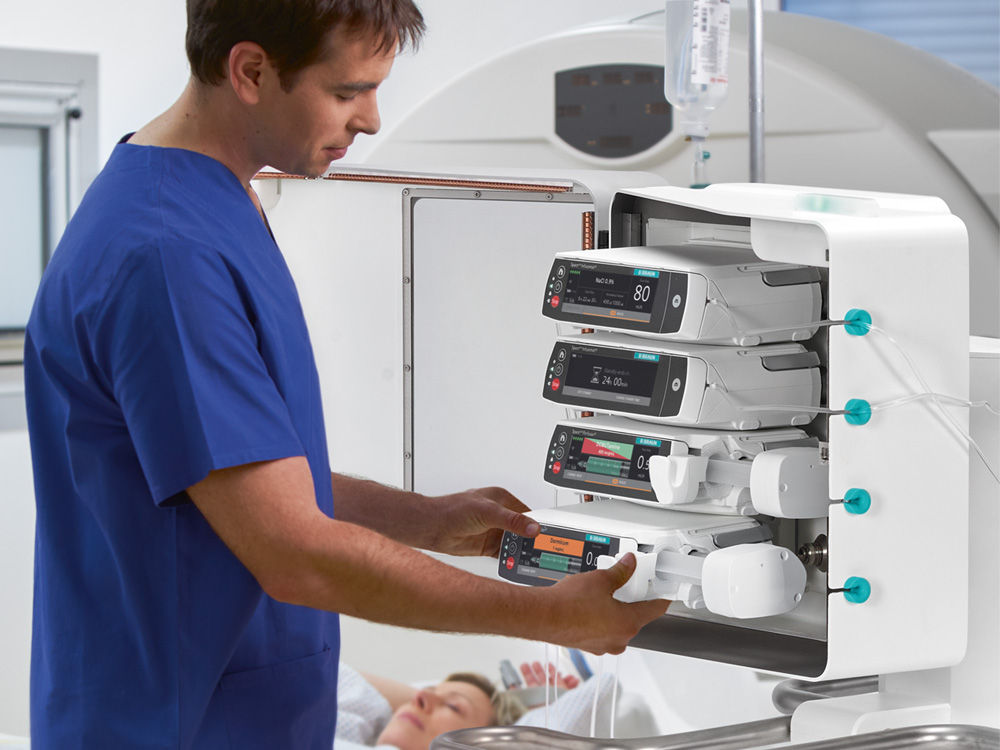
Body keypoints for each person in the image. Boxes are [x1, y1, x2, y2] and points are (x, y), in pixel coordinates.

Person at [23, 1, 670, 748]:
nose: (370, 118)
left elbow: (244, 480)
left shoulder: (215, 200)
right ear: (251, 71)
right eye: (346, 91)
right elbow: (294, 551)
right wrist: (550, 616)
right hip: (170, 721)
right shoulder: (168, 256)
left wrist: (424, 519)